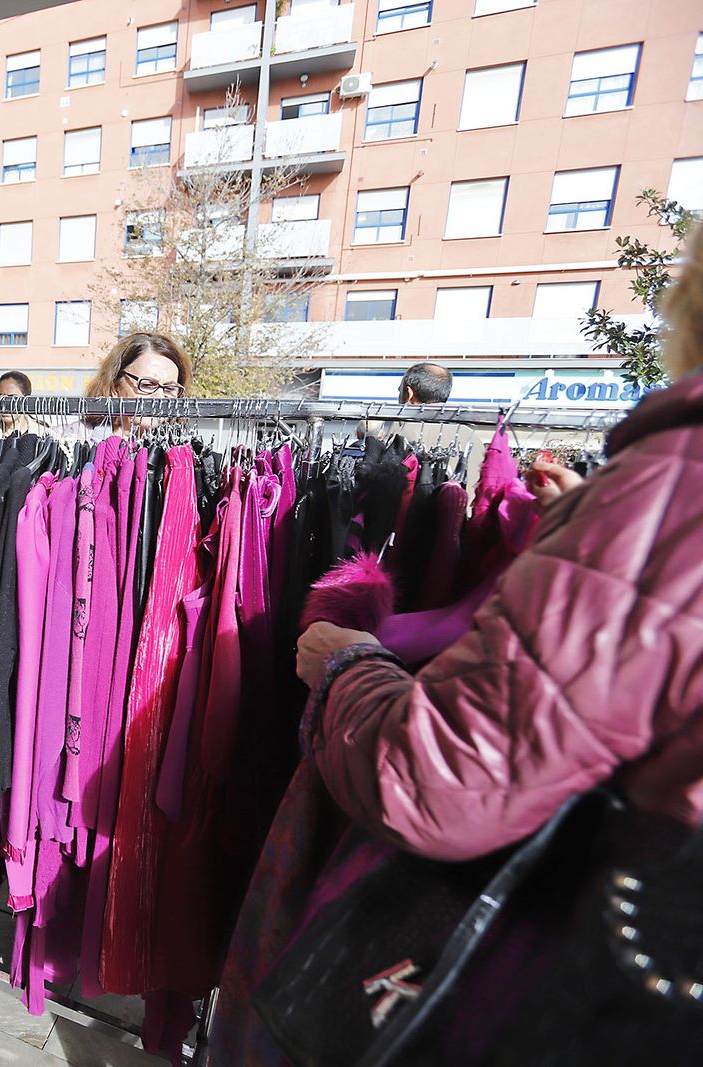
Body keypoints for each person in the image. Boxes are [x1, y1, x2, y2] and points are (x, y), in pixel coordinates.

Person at [296, 228, 703, 877]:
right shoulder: (471, 450)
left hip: (573, 907)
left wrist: (346, 666)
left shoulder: (668, 487)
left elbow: (442, 781)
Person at [83, 331, 192, 432]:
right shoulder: (76, 440)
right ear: (115, 387)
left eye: (169, 388)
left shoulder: (179, 447)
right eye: (147, 384)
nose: (160, 397)